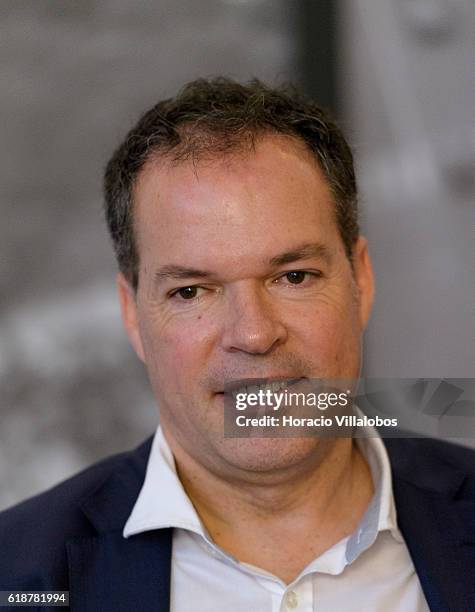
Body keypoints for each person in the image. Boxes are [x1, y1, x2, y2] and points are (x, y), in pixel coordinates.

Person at [1, 78, 474, 612]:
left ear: (360, 280)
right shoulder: (16, 574)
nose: (252, 334)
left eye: (293, 276)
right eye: (191, 291)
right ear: (132, 313)